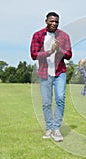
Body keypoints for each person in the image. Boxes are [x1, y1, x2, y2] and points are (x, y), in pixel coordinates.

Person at [30, 12, 72, 142]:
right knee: (47, 102)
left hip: (60, 72)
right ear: (46, 21)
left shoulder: (63, 36)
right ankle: (49, 128)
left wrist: (59, 50)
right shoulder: (38, 35)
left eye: (56, 22)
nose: (54, 24)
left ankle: (56, 129)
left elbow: (69, 55)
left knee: (60, 99)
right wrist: (50, 51)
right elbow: (34, 55)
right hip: (44, 72)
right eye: (51, 21)